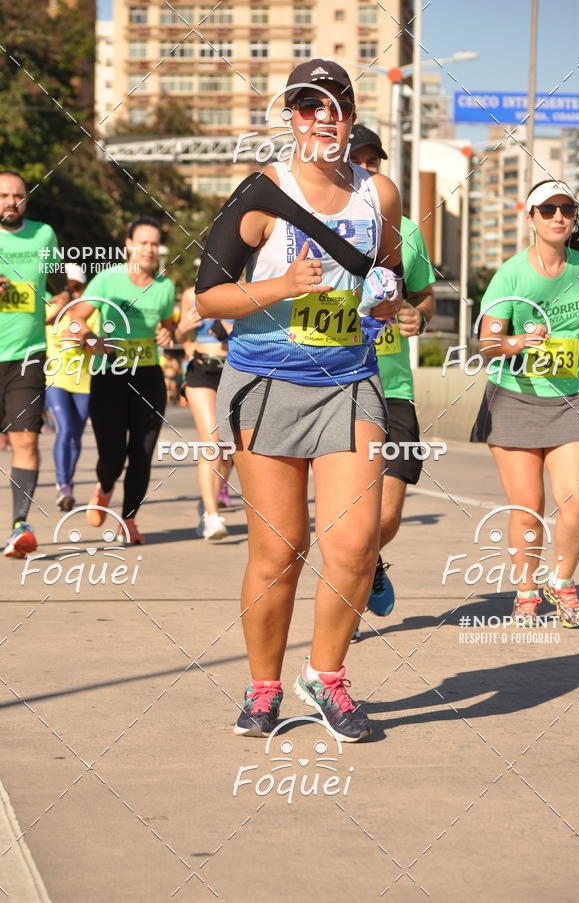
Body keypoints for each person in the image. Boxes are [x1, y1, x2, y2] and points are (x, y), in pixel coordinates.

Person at [196, 59, 402, 741]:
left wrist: (389, 298)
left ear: (349, 112)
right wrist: (283, 284)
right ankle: (263, 688)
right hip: (267, 383)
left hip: (351, 382)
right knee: (280, 550)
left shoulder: (381, 192)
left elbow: (391, 271)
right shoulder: (261, 193)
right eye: (307, 105)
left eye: (335, 104)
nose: (323, 117)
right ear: (289, 115)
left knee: (353, 544)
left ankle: (327, 676)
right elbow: (209, 297)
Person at [471, 179, 579, 628]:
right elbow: (485, 342)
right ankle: (526, 591)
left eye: (566, 209)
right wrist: (518, 341)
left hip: (569, 398)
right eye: (547, 210)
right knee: (528, 505)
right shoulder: (511, 274)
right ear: (530, 218)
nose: (559, 217)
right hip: (514, 397)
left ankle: (560, 582)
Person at [349, 125, 436, 638]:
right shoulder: (320, 223)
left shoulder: (406, 229)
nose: (368, 169)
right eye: (357, 161)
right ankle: (349, 599)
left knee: (387, 515)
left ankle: (369, 560)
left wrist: (417, 317)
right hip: (339, 383)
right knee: (355, 511)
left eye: (373, 161)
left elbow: (423, 295)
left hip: (394, 387)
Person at [69, 218, 176, 544]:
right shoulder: (107, 279)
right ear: (128, 244)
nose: (149, 249)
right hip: (109, 374)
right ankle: (104, 486)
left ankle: (128, 519)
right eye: (142, 242)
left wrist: (168, 331)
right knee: (112, 455)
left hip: (148, 375)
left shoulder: (164, 286)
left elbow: (168, 325)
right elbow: (75, 318)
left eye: (154, 244)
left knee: (142, 453)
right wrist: (89, 340)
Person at [0, 170, 68, 557]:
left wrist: (60, 302)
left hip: (27, 354)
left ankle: (19, 526)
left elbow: (59, 285)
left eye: (19, 195)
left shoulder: (43, 235)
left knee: (26, 438)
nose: (12, 201)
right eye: (4, 195)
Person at [175, 286, 233, 540]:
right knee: (212, 442)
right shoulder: (192, 294)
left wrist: (227, 325)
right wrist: (185, 327)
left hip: (234, 370)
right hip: (202, 371)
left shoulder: (246, 287)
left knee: (229, 447)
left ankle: (208, 500)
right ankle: (211, 516)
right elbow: (180, 336)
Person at [45, 263, 94, 511]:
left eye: (78, 287)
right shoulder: (52, 305)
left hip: (84, 380)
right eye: (69, 287)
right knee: (64, 429)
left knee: (75, 436)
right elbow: (44, 321)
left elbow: (99, 345)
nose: (74, 292)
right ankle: (62, 485)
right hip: (55, 379)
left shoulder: (92, 311)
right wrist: (63, 304)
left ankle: (68, 482)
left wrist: (86, 337)